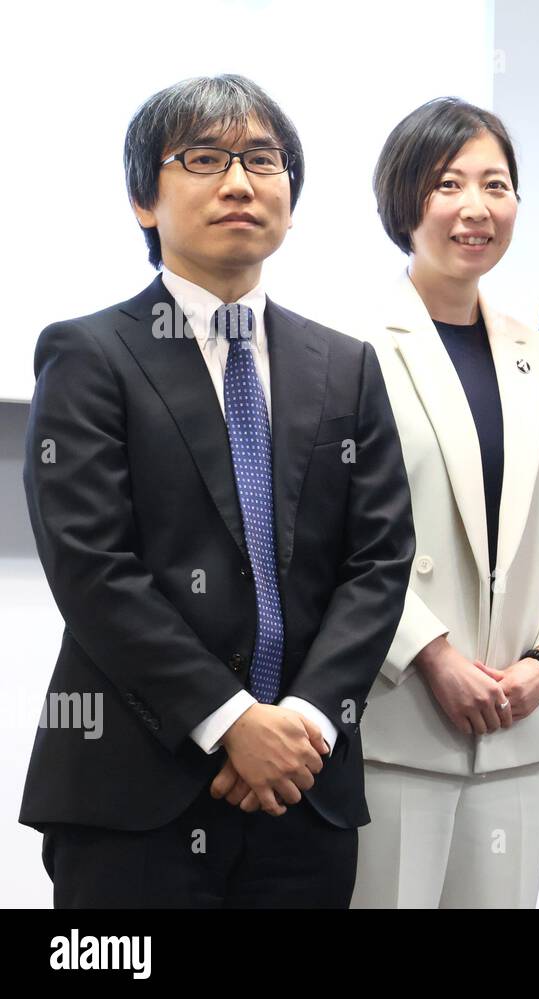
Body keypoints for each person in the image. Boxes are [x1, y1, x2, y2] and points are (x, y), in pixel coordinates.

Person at [19, 74, 414, 907]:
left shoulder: (345, 366)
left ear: (291, 198)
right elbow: (94, 568)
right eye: (204, 157)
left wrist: (301, 722)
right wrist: (232, 719)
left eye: (263, 160)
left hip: (304, 794)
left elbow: (380, 563)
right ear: (142, 199)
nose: (239, 182)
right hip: (136, 795)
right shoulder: (88, 355)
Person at [350, 98, 539, 909]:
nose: (476, 206)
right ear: (403, 200)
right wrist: (434, 655)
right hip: (398, 723)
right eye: (448, 183)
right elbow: (335, 543)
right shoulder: (351, 348)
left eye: (497, 184)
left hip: (521, 734)